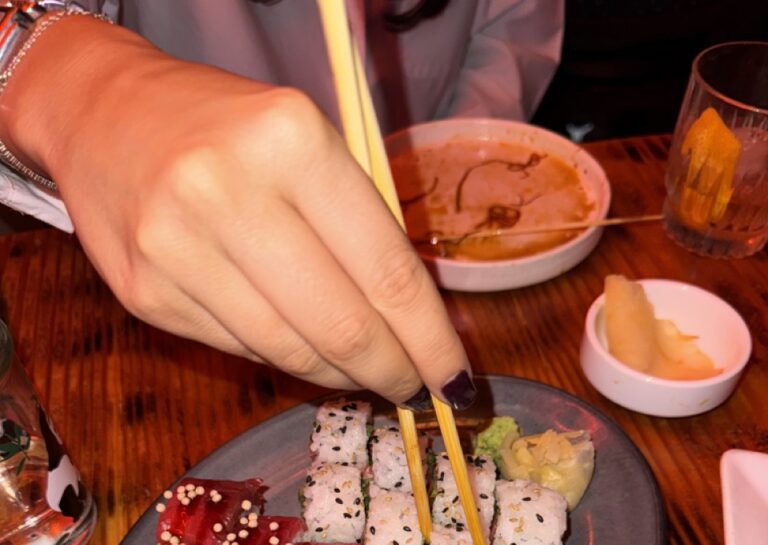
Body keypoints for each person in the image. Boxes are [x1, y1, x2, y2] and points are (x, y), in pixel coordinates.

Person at [0, 0, 563, 409]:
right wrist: (63, 77)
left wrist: (451, 171)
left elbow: (511, 32)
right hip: (184, 305)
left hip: (450, 260)